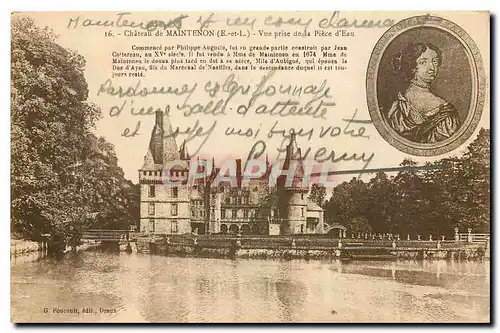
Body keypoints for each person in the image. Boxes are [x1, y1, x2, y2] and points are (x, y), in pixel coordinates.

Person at [387, 43, 460, 143]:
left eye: (435, 61)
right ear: (412, 67)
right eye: (423, 62)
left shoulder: (445, 110)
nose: (432, 68)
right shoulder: (397, 106)